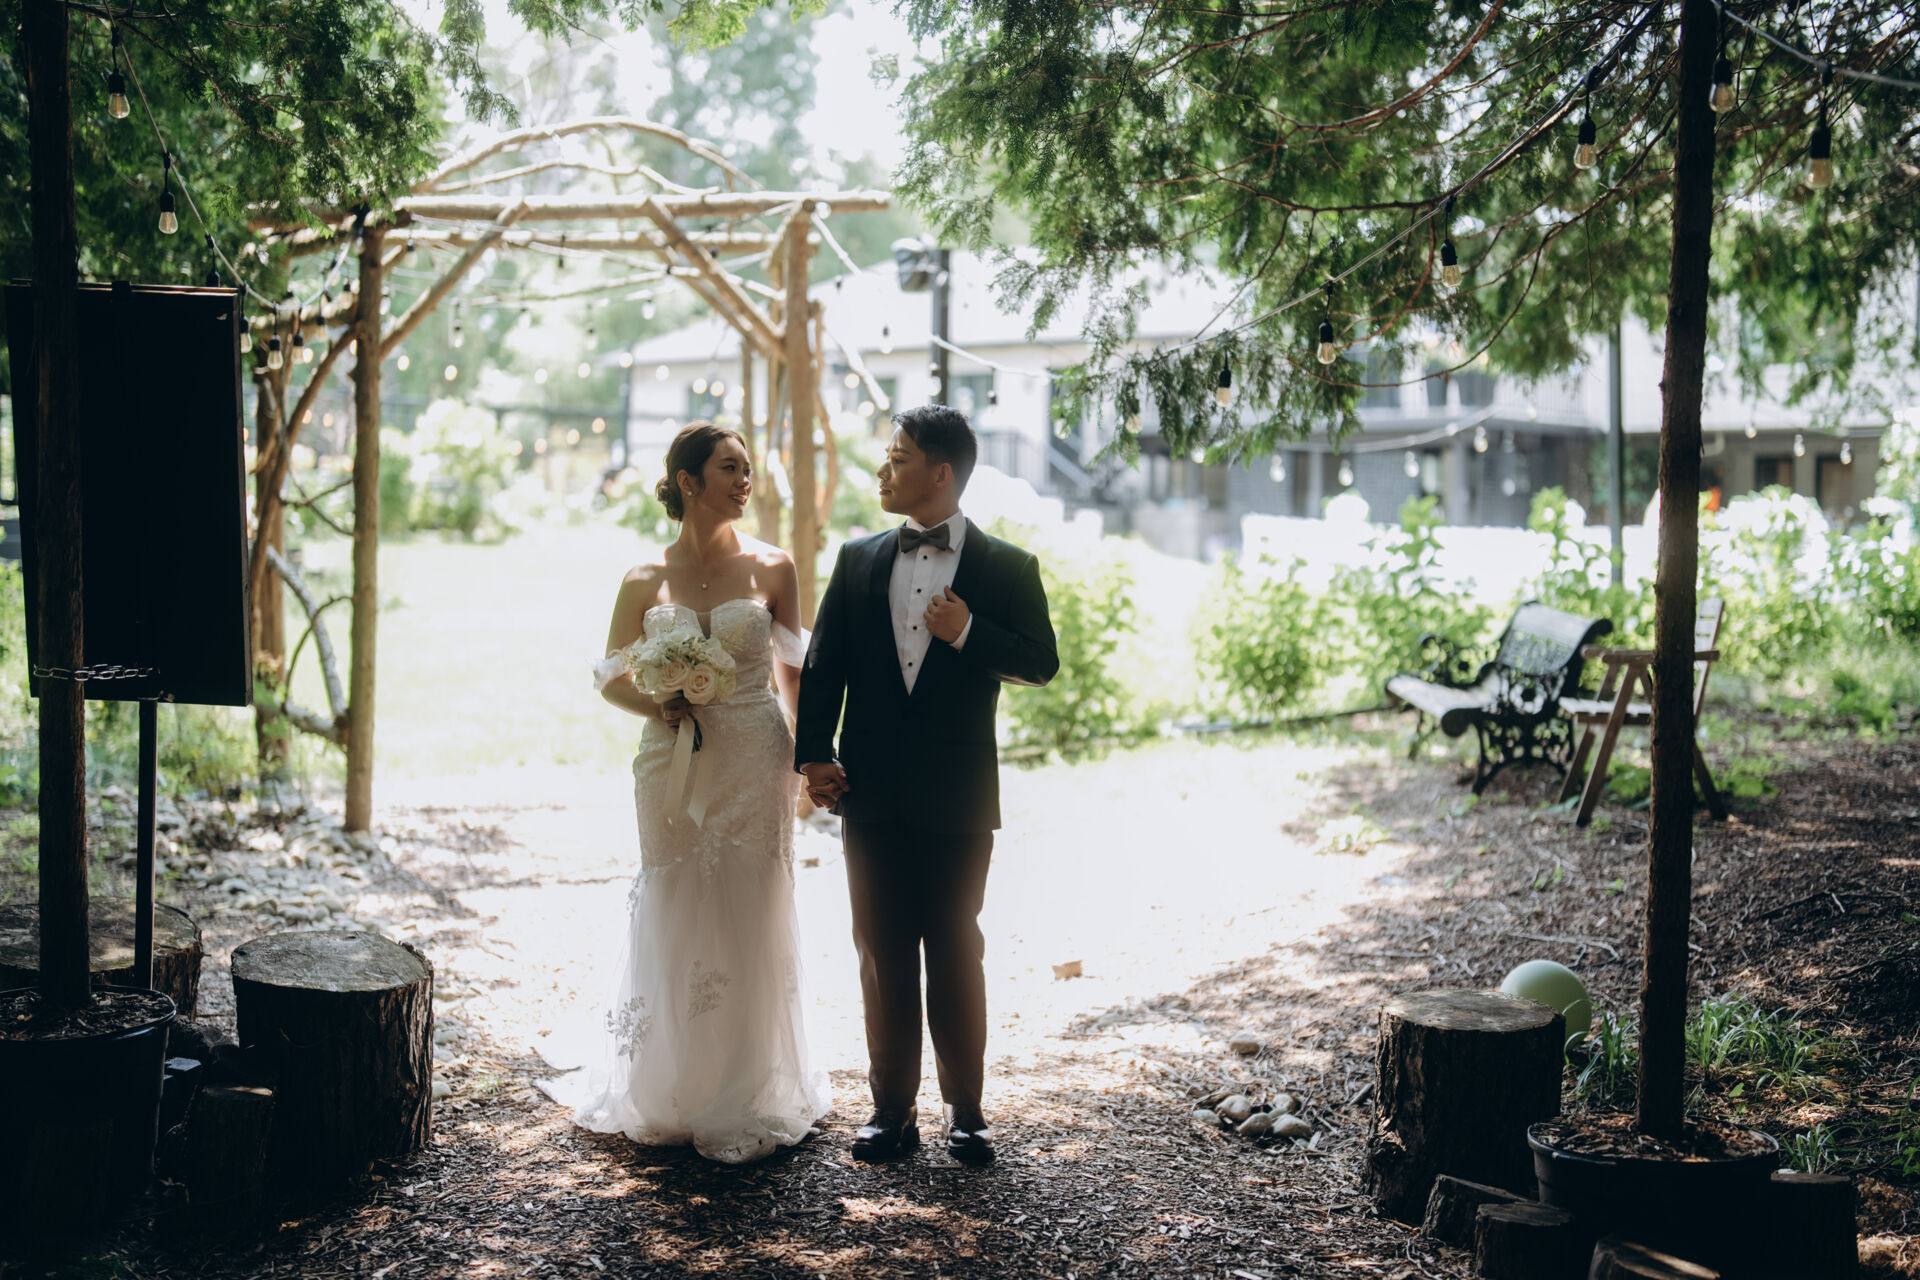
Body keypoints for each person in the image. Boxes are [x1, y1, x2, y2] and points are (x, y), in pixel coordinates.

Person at [795, 404, 1059, 1165]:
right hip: (869, 788)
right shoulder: (857, 559)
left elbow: (1040, 662)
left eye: (898, 457)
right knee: (880, 951)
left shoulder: (1008, 567)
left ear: (940, 473)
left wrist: (968, 632)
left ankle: (966, 1111)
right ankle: (891, 1110)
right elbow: (824, 665)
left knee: (954, 949)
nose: (884, 469)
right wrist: (813, 754)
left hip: (958, 794)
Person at [574, 422, 827, 1164]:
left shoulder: (774, 568)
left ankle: (748, 1083)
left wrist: (813, 756)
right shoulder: (642, 579)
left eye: (746, 468)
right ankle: (672, 1081)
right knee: (675, 892)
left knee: (752, 900)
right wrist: (661, 703)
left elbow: (792, 674)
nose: (745, 480)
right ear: (688, 481)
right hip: (670, 761)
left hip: (753, 756)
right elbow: (610, 677)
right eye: (728, 468)